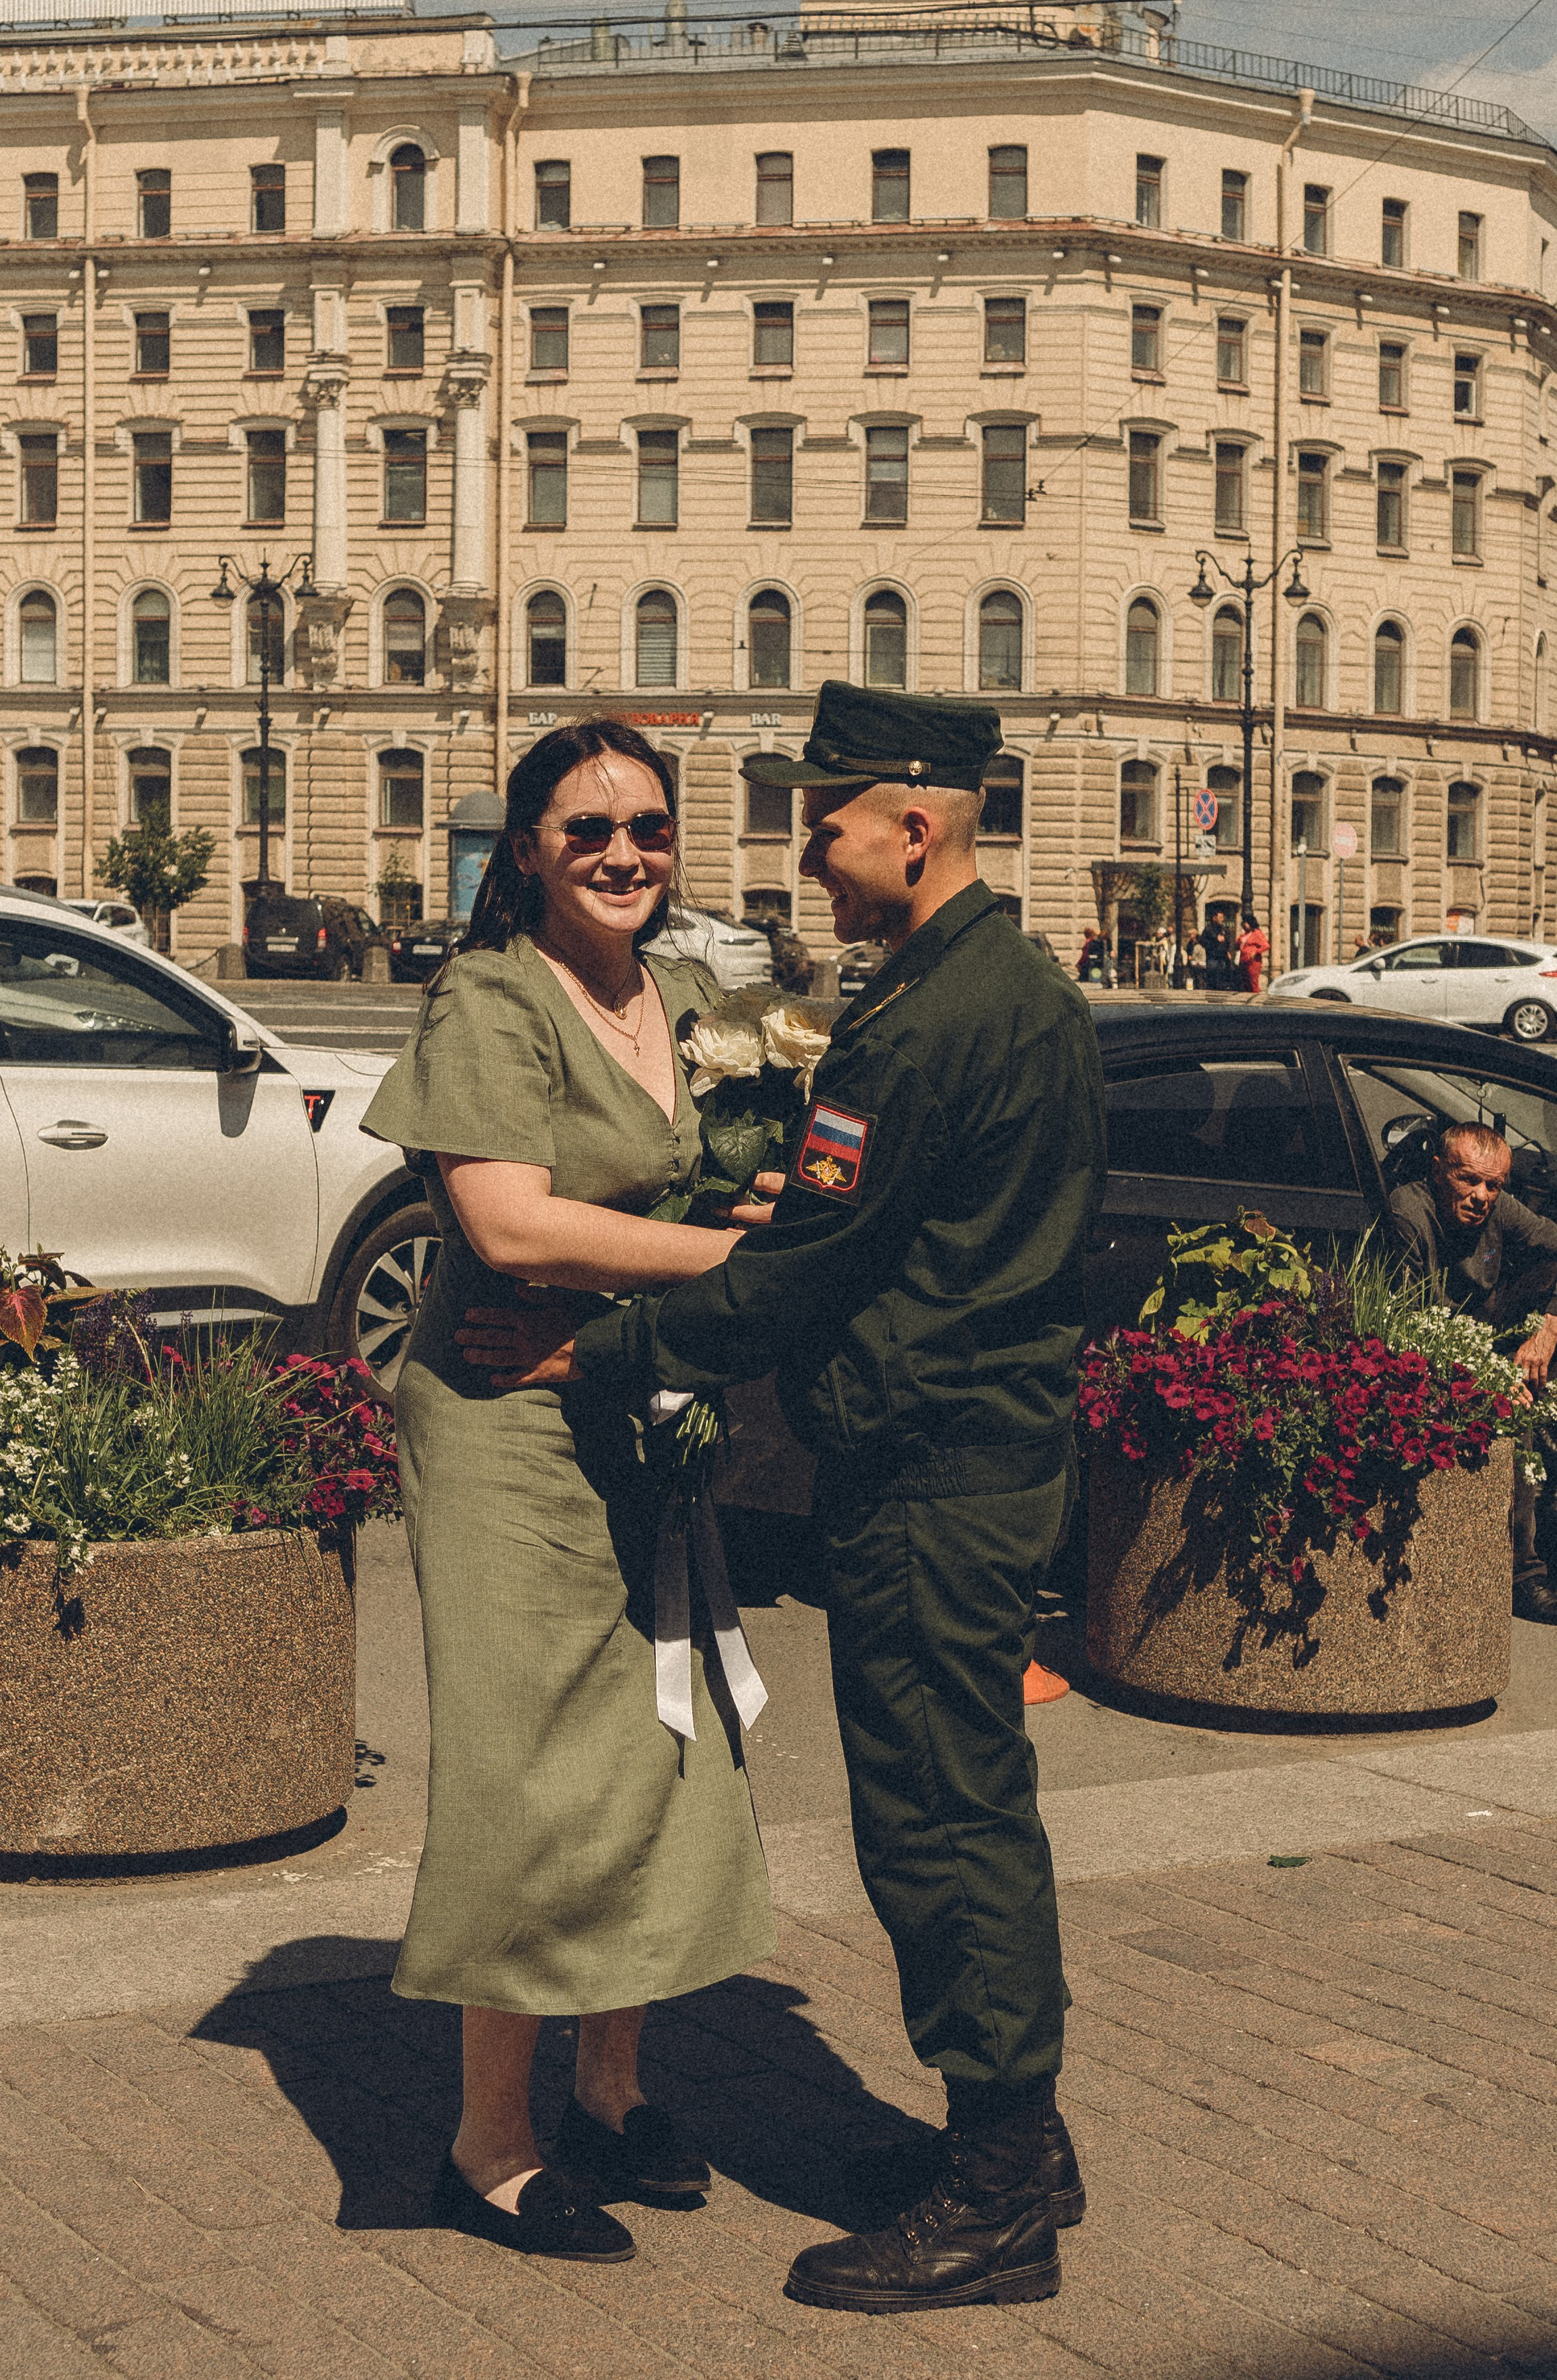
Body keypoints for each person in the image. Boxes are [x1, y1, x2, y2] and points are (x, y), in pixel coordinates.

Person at [460, 681, 1107, 2315]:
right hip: (985, 1452)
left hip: (925, 1474)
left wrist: (590, 1352)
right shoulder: (1009, 988)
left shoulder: (929, 1017)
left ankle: (993, 2187)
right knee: (978, 1804)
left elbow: (807, 1277)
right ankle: (1017, 2144)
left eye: (825, 826)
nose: (808, 858)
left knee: (935, 1826)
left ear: (913, 821)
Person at [360, 719, 775, 2264]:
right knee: (526, 1770)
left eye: (649, 826)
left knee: (655, 1748)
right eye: (587, 824)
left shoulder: (685, 999)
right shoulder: (489, 995)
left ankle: (610, 2084)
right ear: (525, 846)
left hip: (616, 1407)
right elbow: (509, 1226)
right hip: (498, 1430)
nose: (623, 852)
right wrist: (751, 1265)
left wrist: (753, 1212)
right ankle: (489, 2137)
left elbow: (720, 1172)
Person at [1388, 1120, 1557, 1626]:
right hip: (1429, 1348)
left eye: (1494, 1185)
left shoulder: (1497, 1208)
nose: (1482, 1196)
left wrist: (1544, 1335)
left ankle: (1535, 1428)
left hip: (1479, 1335)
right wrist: (1487, 1377)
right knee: (1512, 1409)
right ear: (1439, 1171)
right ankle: (1522, 1574)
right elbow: (1408, 1330)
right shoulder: (1409, 1212)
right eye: (1468, 1180)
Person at [1200, 906, 1236, 992]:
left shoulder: (1223, 929)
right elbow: (1203, 941)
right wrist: (1215, 939)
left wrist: (1228, 952)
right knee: (1212, 978)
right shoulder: (1208, 929)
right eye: (1220, 917)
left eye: (1223, 918)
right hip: (1213, 957)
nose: (1222, 919)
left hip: (1222, 958)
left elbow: (1227, 941)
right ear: (1214, 918)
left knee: (1222, 978)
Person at [1235, 910, 1268, 994]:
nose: (1244, 925)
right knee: (1245, 983)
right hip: (1243, 961)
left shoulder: (1257, 933)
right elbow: (1239, 945)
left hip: (1253, 962)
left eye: (1246, 923)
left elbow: (1266, 945)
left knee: (1253, 982)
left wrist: (1256, 952)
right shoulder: (1245, 934)